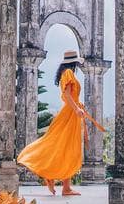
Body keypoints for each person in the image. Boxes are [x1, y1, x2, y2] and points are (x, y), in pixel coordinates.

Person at [17, 50, 86, 196]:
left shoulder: (66, 72)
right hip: (70, 114)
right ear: (74, 62)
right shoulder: (68, 72)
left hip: (71, 113)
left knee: (66, 147)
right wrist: (76, 109)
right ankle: (60, 183)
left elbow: (70, 95)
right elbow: (66, 95)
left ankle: (62, 184)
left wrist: (78, 107)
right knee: (67, 147)